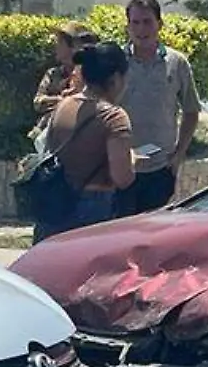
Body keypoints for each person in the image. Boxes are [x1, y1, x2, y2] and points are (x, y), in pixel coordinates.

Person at [32, 42, 137, 244]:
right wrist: (132, 158)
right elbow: (122, 178)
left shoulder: (63, 106)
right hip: (93, 208)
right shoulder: (114, 117)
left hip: (54, 202)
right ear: (116, 78)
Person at [117, 0, 200, 215]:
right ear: (128, 26)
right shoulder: (116, 63)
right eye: (135, 23)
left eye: (147, 22)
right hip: (121, 166)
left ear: (159, 24)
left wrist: (179, 154)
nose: (141, 29)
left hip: (161, 167)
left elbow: (191, 110)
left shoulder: (177, 62)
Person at [31, 22, 98, 149]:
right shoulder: (53, 74)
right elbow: (38, 102)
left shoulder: (90, 74)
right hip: (46, 137)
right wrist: (62, 101)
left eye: (60, 43)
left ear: (73, 46)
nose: (56, 47)